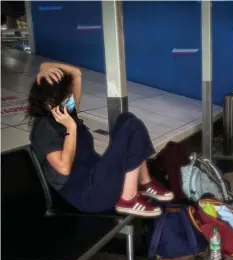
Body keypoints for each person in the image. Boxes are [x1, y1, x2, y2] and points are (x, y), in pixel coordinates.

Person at [27, 62, 174, 217]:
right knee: (131, 126)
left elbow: (76, 74)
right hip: (89, 194)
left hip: (97, 176)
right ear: (51, 103)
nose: (71, 98)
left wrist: (44, 66)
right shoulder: (45, 128)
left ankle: (145, 184)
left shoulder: (66, 114)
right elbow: (64, 168)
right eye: (67, 95)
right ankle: (128, 199)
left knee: (126, 119)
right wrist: (71, 128)